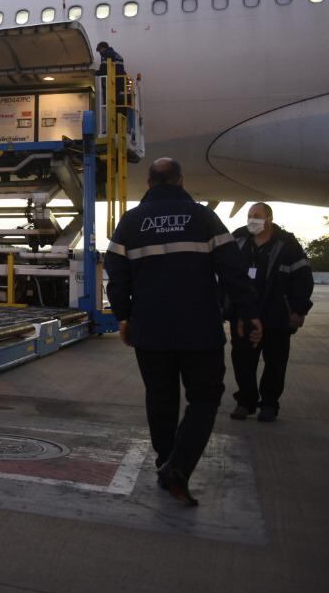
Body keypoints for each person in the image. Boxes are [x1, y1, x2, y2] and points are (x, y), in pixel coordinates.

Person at [105, 157, 260, 507]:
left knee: (160, 398)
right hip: (199, 328)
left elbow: (117, 276)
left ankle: (165, 460)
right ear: (179, 180)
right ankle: (179, 465)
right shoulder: (204, 218)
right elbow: (233, 270)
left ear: (149, 183)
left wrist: (124, 317)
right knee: (204, 398)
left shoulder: (131, 222)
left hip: (150, 329)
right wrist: (249, 313)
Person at [227, 203, 313, 422]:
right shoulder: (237, 239)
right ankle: (245, 402)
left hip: (277, 315)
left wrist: (298, 310)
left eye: (257, 216)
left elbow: (303, 278)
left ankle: (269, 404)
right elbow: (226, 274)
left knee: (275, 362)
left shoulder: (288, 244)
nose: (252, 220)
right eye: (249, 216)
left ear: (270, 219)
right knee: (242, 360)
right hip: (245, 313)